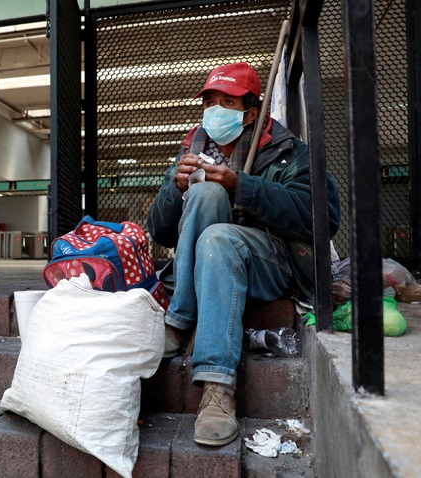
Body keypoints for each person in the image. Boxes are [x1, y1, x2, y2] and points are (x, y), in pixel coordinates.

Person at [147, 62, 341, 446]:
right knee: (204, 194)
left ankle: (218, 387)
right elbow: (160, 230)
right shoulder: (194, 146)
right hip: (211, 263)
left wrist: (242, 187)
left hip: (271, 260)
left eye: (227, 102)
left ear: (251, 112)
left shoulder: (288, 151)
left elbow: (323, 218)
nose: (215, 109)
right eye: (210, 101)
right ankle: (182, 320)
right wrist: (176, 186)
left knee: (219, 237)